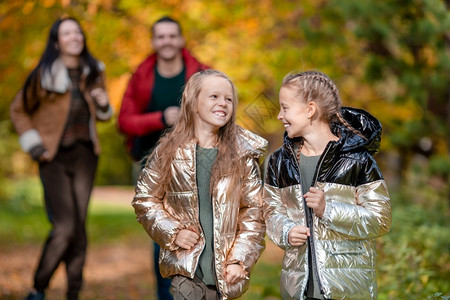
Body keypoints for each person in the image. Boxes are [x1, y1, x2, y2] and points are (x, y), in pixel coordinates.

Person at [132, 69, 267, 300]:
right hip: (186, 270)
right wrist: (174, 233)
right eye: (214, 97)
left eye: (229, 99)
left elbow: (254, 213)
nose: (223, 103)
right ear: (193, 103)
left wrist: (239, 260)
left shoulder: (243, 157)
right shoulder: (169, 152)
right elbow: (145, 199)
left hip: (225, 273)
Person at [263, 71, 392, 300]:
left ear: (310, 110)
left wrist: (327, 210)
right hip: (298, 288)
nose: (279, 116)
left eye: (285, 108)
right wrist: (286, 230)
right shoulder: (279, 161)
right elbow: (271, 211)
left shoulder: (357, 160)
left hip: (346, 290)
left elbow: (380, 220)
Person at [10, 17, 112, 300]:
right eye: (67, 33)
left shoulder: (94, 71)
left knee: (79, 228)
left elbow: (102, 113)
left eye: (77, 32)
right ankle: (38, 289)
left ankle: (73, 294)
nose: (74, 36)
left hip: (85, 156)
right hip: (52, 157)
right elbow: (18, 110)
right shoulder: (43, 74)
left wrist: (103, 104)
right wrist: (34, 146)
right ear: (57, 42)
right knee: (65, 227)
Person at [117, 16, 209, 299]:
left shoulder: (200, 72)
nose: (167, 41)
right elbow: (125, 121)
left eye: (172, 36)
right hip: (154, 166)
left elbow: (218, 110)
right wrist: (160, 118)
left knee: (200, 228)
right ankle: (166, 294)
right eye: (161, 36)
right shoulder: (142, 75)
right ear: (154, 42)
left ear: (181, 40)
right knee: (165, 232)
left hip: (196, 160)